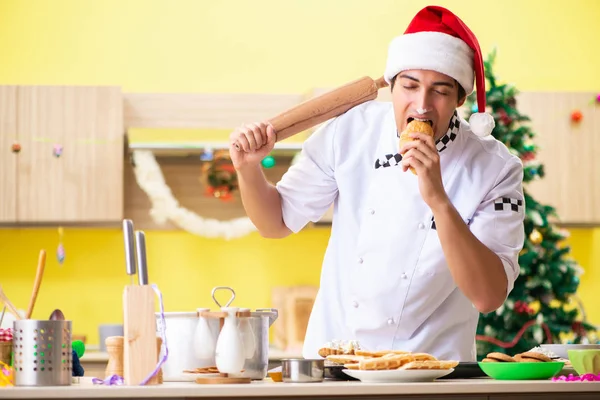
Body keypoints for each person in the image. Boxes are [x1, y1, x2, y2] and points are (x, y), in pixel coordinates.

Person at [228, 5, 525, 362]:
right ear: (392, 87)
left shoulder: (495, 168)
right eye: (410, 86)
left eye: (441, 91)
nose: (422, 104)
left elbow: (488, 295)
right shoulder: (350, 133)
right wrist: (248, 170)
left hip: (432, 371)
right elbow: (275, 222)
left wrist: (438, 199)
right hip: (337, 362)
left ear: (461, 99)